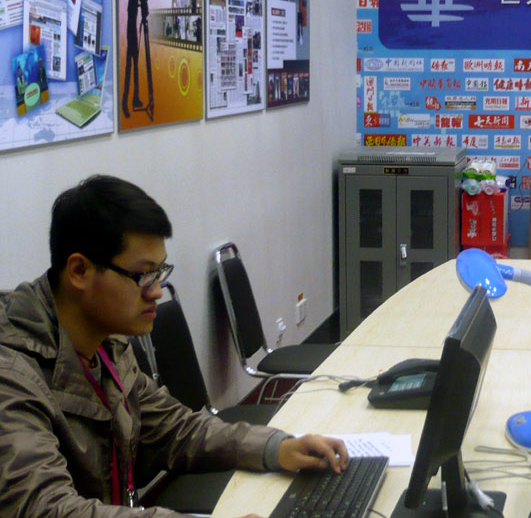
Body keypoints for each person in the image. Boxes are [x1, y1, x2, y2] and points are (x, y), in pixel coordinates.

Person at [0, 175, 348, 517]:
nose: (156, 291)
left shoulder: (106, 343)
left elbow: (175, 429)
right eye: (143, 275)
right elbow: (43, 507)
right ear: (79, 271)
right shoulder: (11, 374)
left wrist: (277, 448)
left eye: (160, 272)